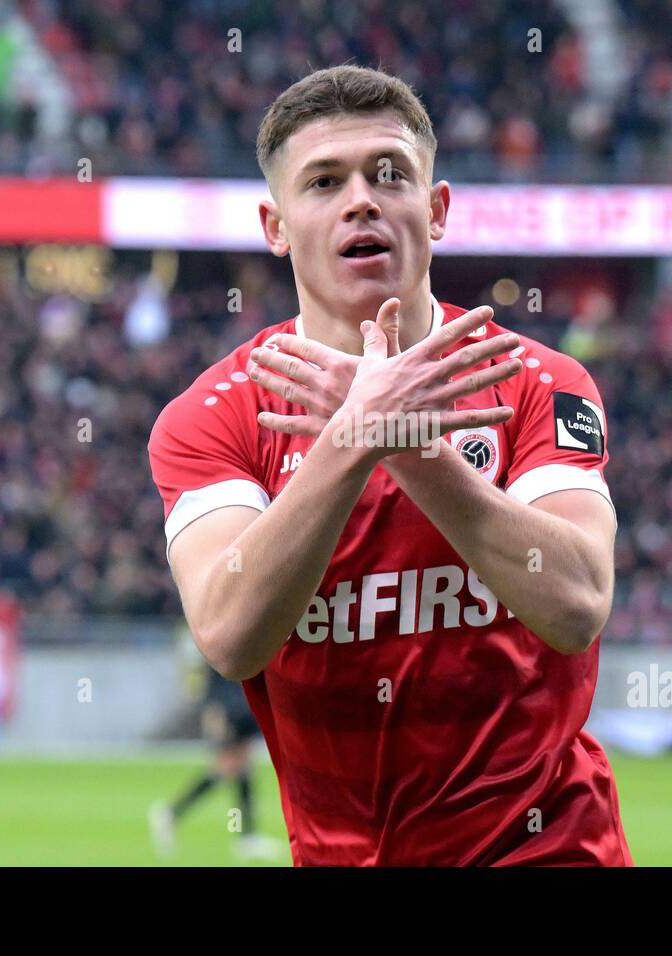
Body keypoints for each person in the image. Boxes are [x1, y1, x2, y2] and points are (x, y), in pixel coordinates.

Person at [147, 65, 630, 865]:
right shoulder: (213, 416)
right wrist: (352, 438)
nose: (361, 199)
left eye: (389, 174)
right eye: (325, 181)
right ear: (276, 225)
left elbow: (578, 601)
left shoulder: (538, 382)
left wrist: (407, 442)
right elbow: (230, 633)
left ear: (435, 210)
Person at [148, 665, 284, 861]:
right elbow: (217, 673)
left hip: (239, 704)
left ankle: (246, 836)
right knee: (229, 766)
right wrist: (215, 712)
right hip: (230, 708)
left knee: (242, 767)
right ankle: (171, 813)